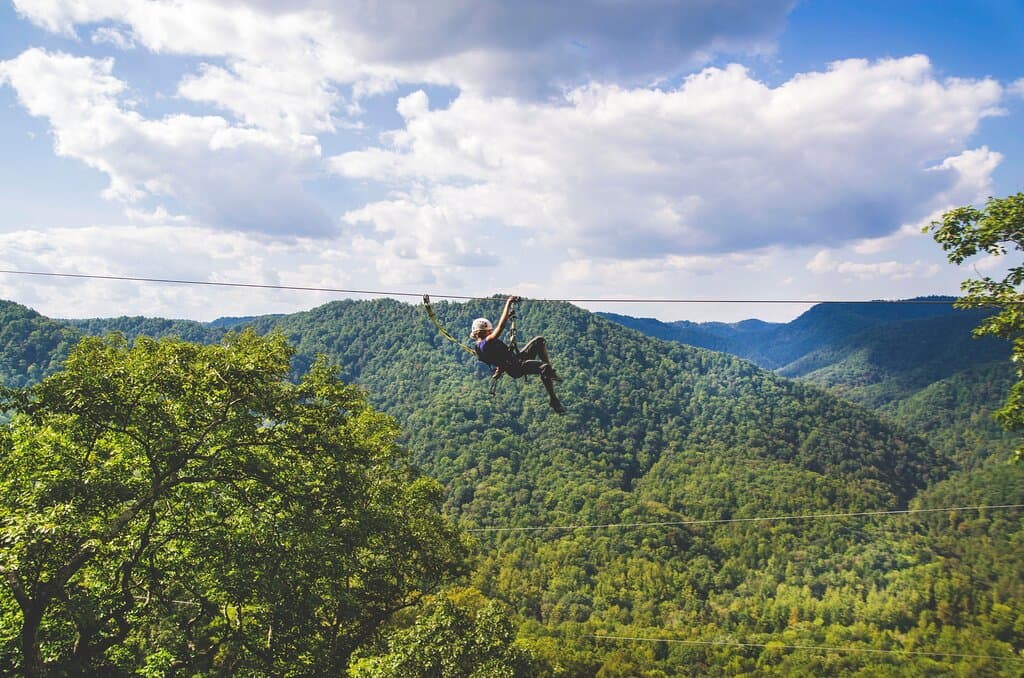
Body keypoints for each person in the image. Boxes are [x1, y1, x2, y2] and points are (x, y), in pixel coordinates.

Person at [471, 296, 566, 414]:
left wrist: (499, 369)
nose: (491, 332)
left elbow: (497, 358)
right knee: (544, 367)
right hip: (516, 368)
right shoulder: (485, 343)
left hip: (516, 360)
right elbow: (501, 327)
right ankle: (553, 399)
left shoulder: (482, 346)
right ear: (484, 332)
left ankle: (549, 371)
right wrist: (508, 303)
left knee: (539, 341)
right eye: (489, 331)